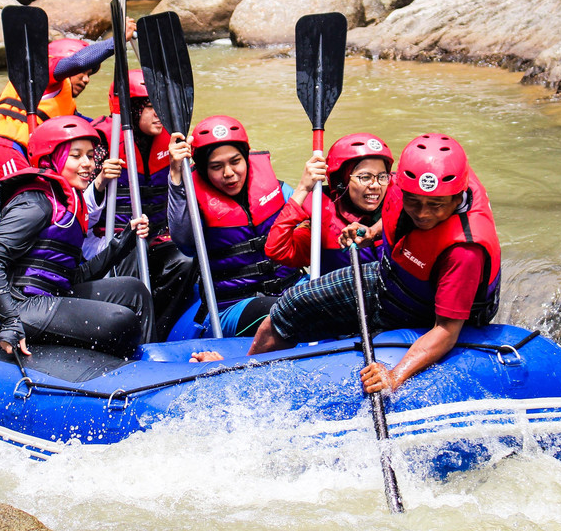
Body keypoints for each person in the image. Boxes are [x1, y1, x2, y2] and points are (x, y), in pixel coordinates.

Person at [246, 134, 501, 393]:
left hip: (429, 304)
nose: (423, 214)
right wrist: (372, 232)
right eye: (414, 202)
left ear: (457, 199)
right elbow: (399, 211)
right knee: (289, 307)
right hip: (392, 279)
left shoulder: (465, 251)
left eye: (436, 206)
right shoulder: (406, 184)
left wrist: (394, 376)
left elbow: (446, 329)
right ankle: (244, 379)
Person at [0, 115, 153, 357]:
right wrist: (10, 321)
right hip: (15, 305)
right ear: (51, 159)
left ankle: (149, 362)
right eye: (76, 156)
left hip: (48, 296)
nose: (88, 164)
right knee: (120, 320)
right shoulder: (37, 203)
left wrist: (124, 242)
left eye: (90, 156)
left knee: (134, 291)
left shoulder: (69, 203)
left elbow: (72, 277)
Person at [167, 115, 302, 338]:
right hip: (233, 308)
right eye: (216, 166)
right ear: (203, 170)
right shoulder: (193, 204)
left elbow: (313, 224)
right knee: (277, 309)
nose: (228, 173)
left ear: (246, 158)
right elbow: (185, 243)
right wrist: (176, 176)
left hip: (291, 290)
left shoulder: (277, 189)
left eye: (235, 161)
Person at [87, 70, 196, 339]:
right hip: (116, 240)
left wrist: (178, 168)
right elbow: (80, 205)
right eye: (149, 106)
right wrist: (100, 179)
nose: (159, 113)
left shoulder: (173, 141)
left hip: (158, 235)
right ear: (132, 110)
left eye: (160, 104)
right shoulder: (101, 142)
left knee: (185, 261)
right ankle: (129, 331)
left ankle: (159, 330)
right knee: (135, 261)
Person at [0, 18, 136, 151]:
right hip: (6, 147)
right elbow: (79, 62)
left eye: (89, 75)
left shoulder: (67, 105)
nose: (86, 80)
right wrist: (117, 40)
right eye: (82, 73)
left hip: (27, 153)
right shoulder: (41, 73)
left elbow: (93, 127)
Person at [264, 133, 394, 274]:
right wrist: (303, 188)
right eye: (365, 177)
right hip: (342, 287)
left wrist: (374, 231)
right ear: (342, 181)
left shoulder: (402, 201)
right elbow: (277, 250)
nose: (376, 185)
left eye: (382, 176)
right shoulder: (321, 219)